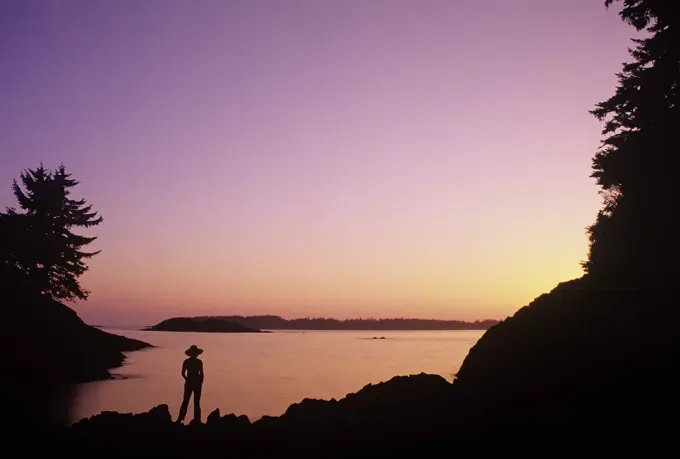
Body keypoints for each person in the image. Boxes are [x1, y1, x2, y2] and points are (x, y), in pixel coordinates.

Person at [177, 344, 204, 423]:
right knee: (194, 402)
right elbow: (202, 374)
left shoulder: (187, 361)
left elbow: (182, 373)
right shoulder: (198, 362)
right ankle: (197, 419)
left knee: (187, 401)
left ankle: (181, 419)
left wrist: (187, 379)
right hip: (195, 382)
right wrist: (200, 382)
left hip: (191, 382)